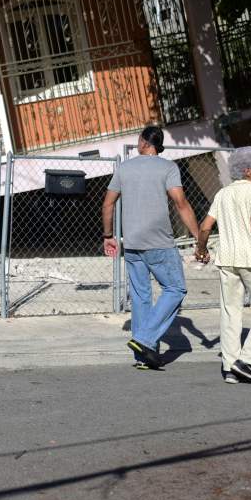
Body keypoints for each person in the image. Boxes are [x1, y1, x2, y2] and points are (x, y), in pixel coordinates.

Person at [102, 126, 201, 370]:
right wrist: (199, 236)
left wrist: (108, 236)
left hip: (133, 243)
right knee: (175, 288)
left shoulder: (124, 169)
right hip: (159, 243)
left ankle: (143, 357)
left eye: (139, 138)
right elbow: (180, 202)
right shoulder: (168, 168)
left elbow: (107, 204)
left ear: (146, 142)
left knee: (140, 296)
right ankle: (144, 341)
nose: (137, 142)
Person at [194, 146, 251, 385]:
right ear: (247, 170)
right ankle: (249, 362)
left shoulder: (223, 194)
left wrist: (201, 250)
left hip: (226, 260)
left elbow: (205, 227)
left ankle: (230, 368)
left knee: (230, 312)